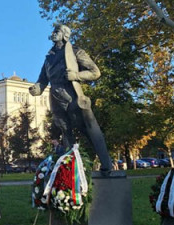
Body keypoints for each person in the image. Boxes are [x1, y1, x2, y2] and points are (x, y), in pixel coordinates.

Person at [29, 23, 112, 173]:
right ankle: (70, 169)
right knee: (65, 132)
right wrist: (36, 89)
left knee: (87, 129)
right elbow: (42, 80)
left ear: (65, 35)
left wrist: (77, 75)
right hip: (56, 98)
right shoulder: (49, 58)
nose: (53, 33)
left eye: (57, 31)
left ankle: (106, 163)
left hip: (72, 96)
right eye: (53, 31)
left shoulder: (75, 52)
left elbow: (95, 72)